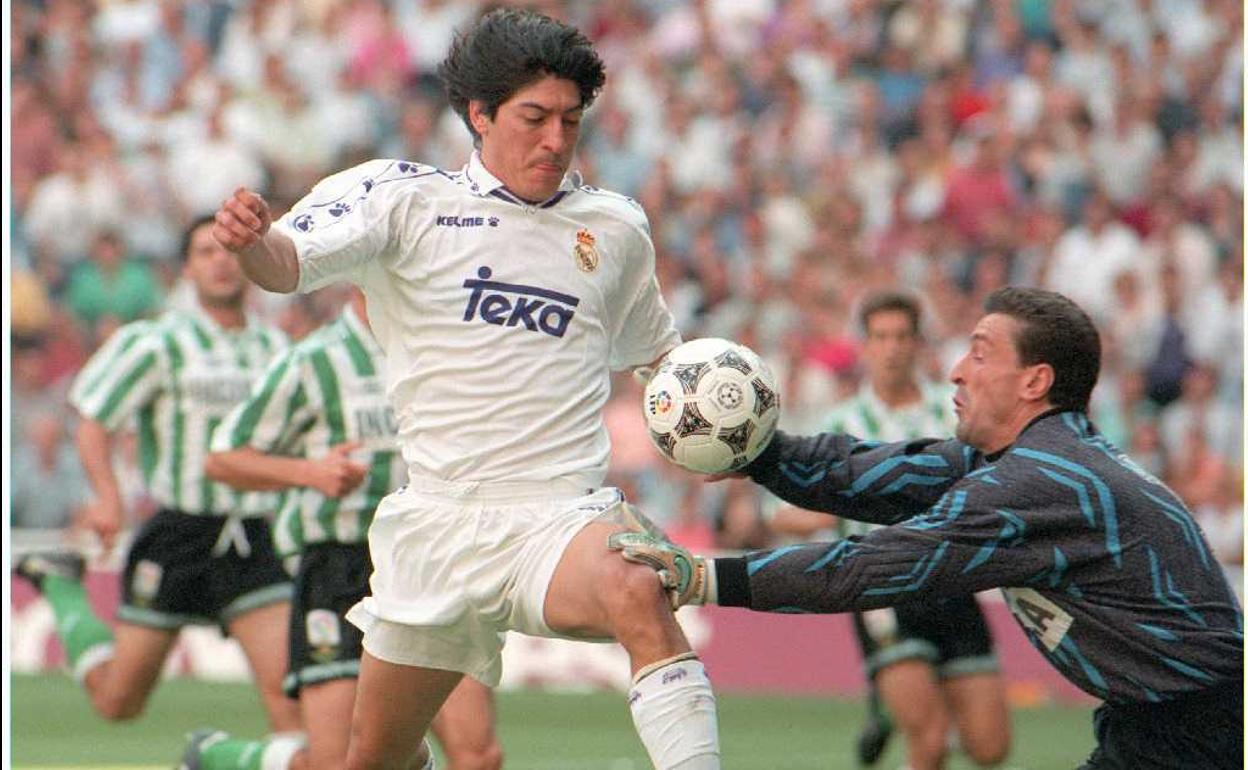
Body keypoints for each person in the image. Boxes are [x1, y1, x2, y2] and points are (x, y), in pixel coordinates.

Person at [211, 9, 720, 770]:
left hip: (558, 516)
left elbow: (662, 364)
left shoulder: (613, 231)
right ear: (480, 115)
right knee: (372, 760)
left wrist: (715, 415)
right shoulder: (404, 201)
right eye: (534, 117)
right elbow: (286, 265)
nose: (555, 139)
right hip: (438, 528)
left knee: (634, 585)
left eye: (571, 121)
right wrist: (255, 244)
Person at [615, 287, 1243, 769]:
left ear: (1035, 381)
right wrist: (751, 450)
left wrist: (700, 576)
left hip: (1207, 730)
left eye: (979, 352)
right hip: (1163, 722)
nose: (955, 371)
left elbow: (873, 565)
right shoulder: (1026, 459)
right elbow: (863, 472)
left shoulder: (1042, 485)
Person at [14, 216, 301, 756]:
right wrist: (107, 497)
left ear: (248, 260)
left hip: (252, 537)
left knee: (291, 706)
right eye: (203, 252)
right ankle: (61, 589)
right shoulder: (158, 341)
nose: (219, 261)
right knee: (118, 701)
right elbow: (94, 419)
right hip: (179, 534)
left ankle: (211, 756)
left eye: (228, 250)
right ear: (187, 268)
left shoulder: (277, 349)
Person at [182, 288, 502, 770]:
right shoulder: (316, 361)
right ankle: (224, 757)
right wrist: (310, 473)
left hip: (430, 560)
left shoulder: (454, 351)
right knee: (339, 762)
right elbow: (223, 457)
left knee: (478, 755)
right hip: (338, 566)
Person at [772, 292, 1008, 769]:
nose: (892, 348)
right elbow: (780, 513)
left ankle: (890, 710)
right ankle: (902, 708)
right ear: (865, 346)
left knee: (990, 747)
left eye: (902, 336)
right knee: (930, 739)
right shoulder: (840, 424)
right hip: (880, 584)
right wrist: (847, 508)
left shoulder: (953, 411)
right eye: (881, 337)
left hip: (951, 581)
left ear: (918, 343)